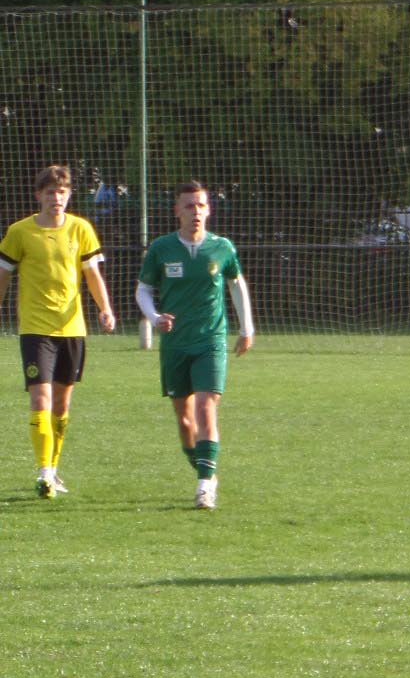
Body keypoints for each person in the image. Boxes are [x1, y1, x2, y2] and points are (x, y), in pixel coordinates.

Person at [0, 165, 117, 497]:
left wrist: (105, 308)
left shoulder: (81, 229)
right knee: (41, 396)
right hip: (35, 329)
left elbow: (92, 274)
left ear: (69, 195)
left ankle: (53, 468)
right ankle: (44, 473)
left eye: (62, 192)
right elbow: (3, 275)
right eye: (51, 192)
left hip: (72, 328)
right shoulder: (20, 232)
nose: (57, 198)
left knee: (62, 406)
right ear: (39, 195)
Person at [135, 182, 253, 511]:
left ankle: (203, 486)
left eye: (201, 205)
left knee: (205, 407)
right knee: (185, 421)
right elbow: (143, 290)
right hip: (175, 344)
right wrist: (155, 317)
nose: (196, 211)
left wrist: (247, 328)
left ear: (209, 209)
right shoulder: (161, 249)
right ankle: (205, 470)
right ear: (177, 211)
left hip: (210, 340)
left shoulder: (221, 247)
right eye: (189, 206)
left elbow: (236, 284)